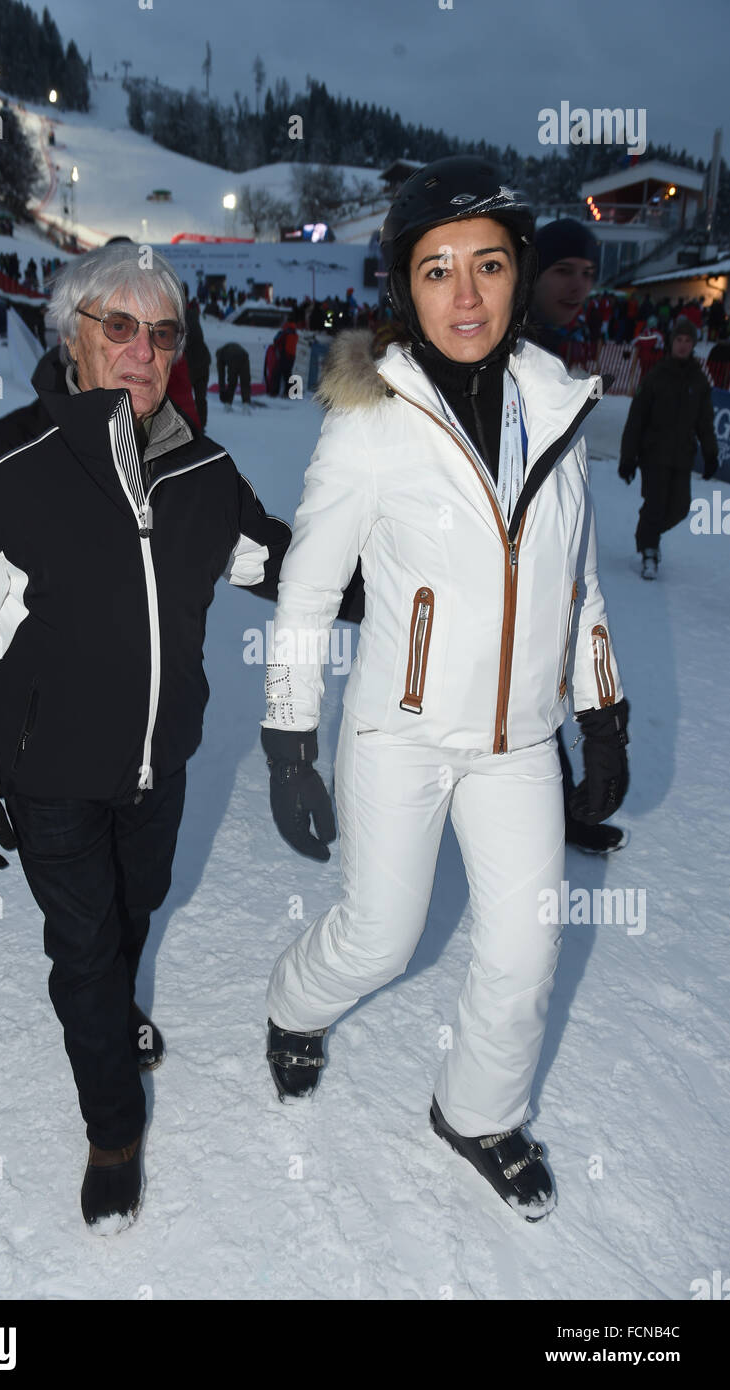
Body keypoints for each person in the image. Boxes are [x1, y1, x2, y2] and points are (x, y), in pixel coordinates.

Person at [259, 157, 629, 1222]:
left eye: (487, 266)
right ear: (403, 287)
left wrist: (600, 711)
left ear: (518, 277)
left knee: (525, 946)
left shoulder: (558, 407)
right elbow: (307, 587)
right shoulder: (370, 419)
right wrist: (291, 737)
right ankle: (293, 1006)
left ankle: (478, 1112)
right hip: (401, 730)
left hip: (516, 742)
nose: (463, 296)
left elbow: (582, 582)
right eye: (435, 271)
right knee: (381, 934)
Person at [0, 242, 291, 1234]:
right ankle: (113, 1127)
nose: (143, 351)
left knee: (133, 911)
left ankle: (117, 1001)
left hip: (159, 769)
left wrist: (402, 576)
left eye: (161, 333)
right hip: (47, 775)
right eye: (118, 326)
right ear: (69, 337)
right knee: (83, 948)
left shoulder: (202, 470)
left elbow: (277, 563)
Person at [524, 218, 625, 856]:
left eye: (587, 274)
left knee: (535, 697)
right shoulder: (506, 354)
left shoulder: (555, 357)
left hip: (538, 579)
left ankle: (556, 812)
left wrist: (606, 724)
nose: (578, 285)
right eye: (564, 270)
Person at [619, 316, 718, 579]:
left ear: (693, 345)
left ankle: (646, 535)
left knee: (680, 508)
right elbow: (636, 419)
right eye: (679, 340)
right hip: (653, 454)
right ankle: (649, 552)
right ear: (671, 342)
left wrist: (710, 454)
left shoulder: (699, 381)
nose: (683, 345)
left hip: (682, 456)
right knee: (655, 504)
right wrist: (628, 457)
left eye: (688, 341)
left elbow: (705, 422)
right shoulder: (656, 376)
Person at [183, 298, 211, 429]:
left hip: (193, 363)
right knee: (200, 397)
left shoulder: (182, 318)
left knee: (185, 396)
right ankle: (201, 426)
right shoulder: (193, 315)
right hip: (203, 360)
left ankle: (191, 426)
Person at [215, 341, 252, 410]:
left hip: (233, 357)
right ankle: (246, 405)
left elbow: (221, 375)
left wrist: (222, 390)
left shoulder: (220, 355)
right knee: (245, 381)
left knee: (232, 382)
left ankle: (227, 405)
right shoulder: (227, 347)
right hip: (244, 355)